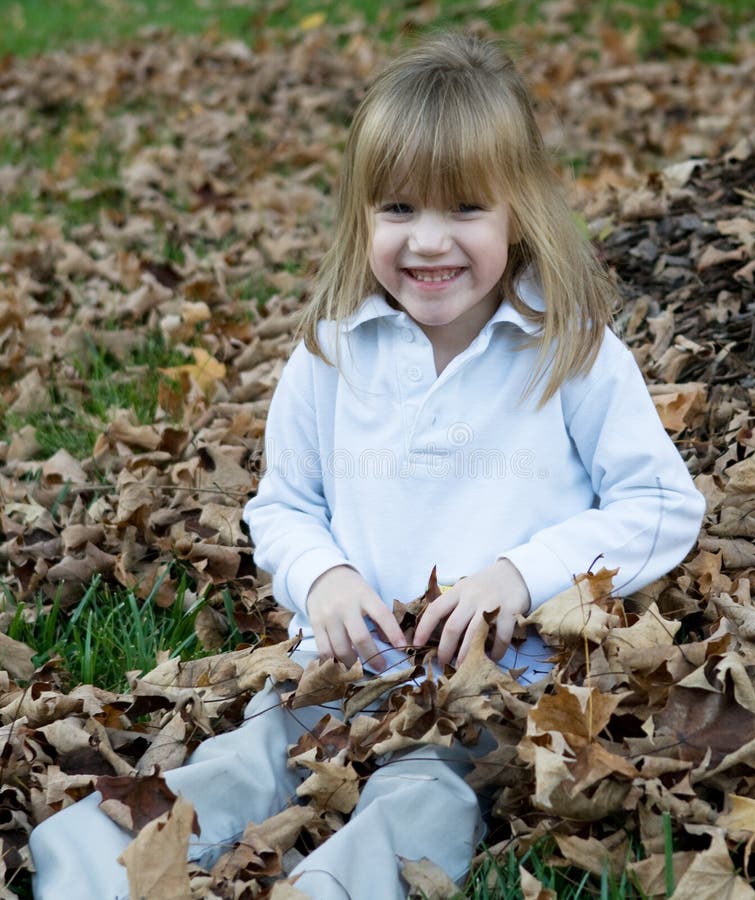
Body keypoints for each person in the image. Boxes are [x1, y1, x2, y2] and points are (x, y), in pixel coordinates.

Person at [29, 32, 705, 899]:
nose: (428, 242)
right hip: (341, 676)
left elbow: (657, 501)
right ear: (361, 215)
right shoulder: (332, 353)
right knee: (237, 764)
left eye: (464, 209)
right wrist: (323, 579)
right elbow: (284, 505)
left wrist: (519, 575)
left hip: (486, 694)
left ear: (518, 210)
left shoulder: (569, 350)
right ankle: (94, 873)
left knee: (413, 806)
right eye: (397, 210)